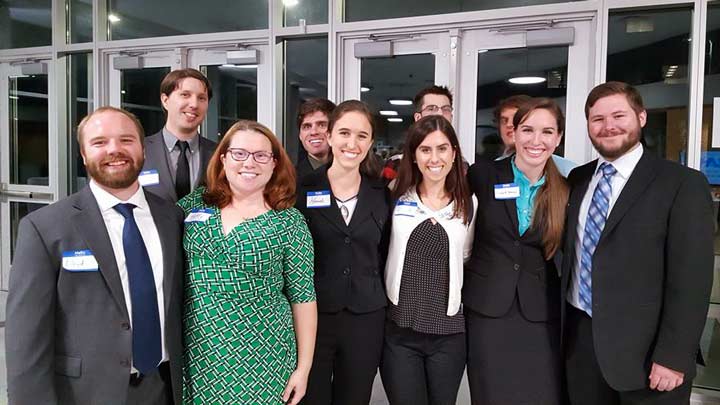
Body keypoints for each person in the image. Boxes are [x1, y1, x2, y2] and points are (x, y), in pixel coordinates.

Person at [6, 106, 184, 404]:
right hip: (85, 392)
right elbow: (26, 338)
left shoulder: (172, 217)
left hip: (164, 388)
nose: (114, 150)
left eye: (126, 140)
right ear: (84, 154)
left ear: (143, 148)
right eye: (99, 142)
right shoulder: (45, 228)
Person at [562, 81, 714, 405]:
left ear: (641, 117)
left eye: (619, 115)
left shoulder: (682, 184)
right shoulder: (578, 179)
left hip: (650, 358)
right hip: (583, 350)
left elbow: (692, 280)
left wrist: (674, 355)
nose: (608, 126)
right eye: (597, 119)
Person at [178, 120, 317, 404]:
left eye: (261, 155)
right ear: (224, 158)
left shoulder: (289, 223)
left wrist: (303, 369)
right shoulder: (193, 205)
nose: (249, 163)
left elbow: (303, 298)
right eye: (240, 153)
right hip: (198, 353)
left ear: (274, 163)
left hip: (263, 356)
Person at [464, 98, 569, 404]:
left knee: (540, 393)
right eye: (528, 130)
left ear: (558, 138)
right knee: (491, 393)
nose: (536, 140)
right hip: (487, 307)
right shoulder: (482, 176)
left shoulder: (566, 187)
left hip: (539, 312)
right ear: (514, 133)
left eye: (547, 132)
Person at [296, 100, 392, 405]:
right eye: (345, 133)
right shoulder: (303, 189)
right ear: (330, 136)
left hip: (366, 316)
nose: (352, 143)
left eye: (362, 136)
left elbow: (385, 251)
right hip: (315, 315)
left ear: (371, 143)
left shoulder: (381, 193)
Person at [381, 115, 476, 405]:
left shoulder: (469, 202)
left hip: (448, 333)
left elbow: (467, 258)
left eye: (442, 148)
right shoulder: (395, 194)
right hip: (399, 331)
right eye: (425, 149)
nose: (434, 158)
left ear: (454, 153)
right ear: (413, 155)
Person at [142, 68, 217, 202]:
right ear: (165, 100)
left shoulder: (217, 154)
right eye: (185, 95)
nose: (194, 104)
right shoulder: (140, 150)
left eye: (201, 98)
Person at [384, 85, 455, 182]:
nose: (440, 114)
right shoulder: (396, 164)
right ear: (417, 117)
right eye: (431, 109)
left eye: (445, 109)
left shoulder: (462, 167)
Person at [494, 94, 577, 176]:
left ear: (559, 137)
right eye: (504, 120)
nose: (509, 125)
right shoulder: (489, 172)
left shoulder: (569, 172)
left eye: (547, 132)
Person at [296, 98, 337, 178]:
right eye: (307, 126)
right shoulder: (289, 179)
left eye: (322, 125)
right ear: (300, 135)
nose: (313, 132)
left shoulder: (356, 174)